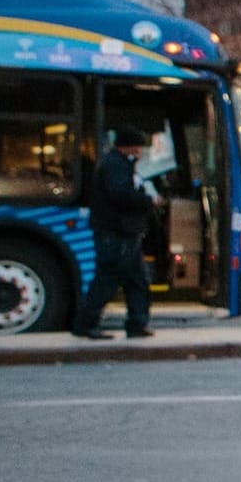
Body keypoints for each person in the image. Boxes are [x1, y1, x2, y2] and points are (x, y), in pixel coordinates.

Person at [71, 127, 156, 340]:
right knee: (108, 278)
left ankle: (137, 323)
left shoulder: (117, 163)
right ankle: (86, 323)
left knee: (137, 279)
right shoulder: (116, 165)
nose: (140, 151)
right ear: (128, 145)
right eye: (138, 146)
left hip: (124, 232)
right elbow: (121, 194)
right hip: (117, 232)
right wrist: (147, 201)